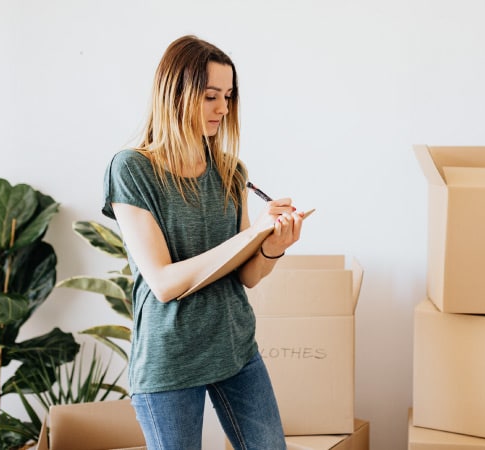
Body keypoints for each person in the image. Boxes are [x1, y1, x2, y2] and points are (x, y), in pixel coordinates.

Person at [101, 35, 305, 450]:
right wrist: (250, 235)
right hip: (169, 360)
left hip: (235, 347)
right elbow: (163, 283)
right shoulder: (132, 169)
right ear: (175, 93)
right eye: (211, 95)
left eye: (228, 96)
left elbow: (246, 276)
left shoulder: (231, 171)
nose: (223, 108)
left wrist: (273, 244)